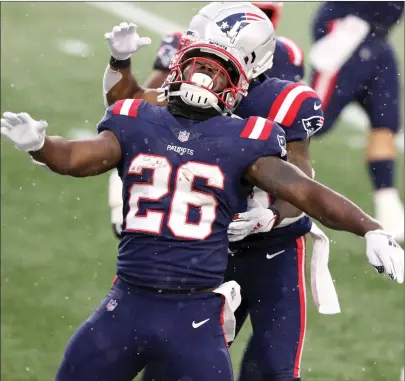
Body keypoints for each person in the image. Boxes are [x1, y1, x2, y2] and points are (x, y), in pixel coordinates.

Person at [103, 3, 324, 380]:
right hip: (202, 244)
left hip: (273, 248)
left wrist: (271, 214)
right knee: (170, 364)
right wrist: (118, 62)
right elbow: (137, 111)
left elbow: (302, 181)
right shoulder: (183, 70)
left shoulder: (284, 85)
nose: (204, 65)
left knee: (273, 368)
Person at [108, 2, 306, 241]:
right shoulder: (187, 49)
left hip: (258, 233)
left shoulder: (284, 79)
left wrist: (272, 216)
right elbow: (138, 116)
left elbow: (302, 182)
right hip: (185, 212)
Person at [309, 1, 405, 242]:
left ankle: (390, 213)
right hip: (348, 31)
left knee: (385, 125)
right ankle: (255, 179)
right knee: (310, 122)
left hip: (378, 39)